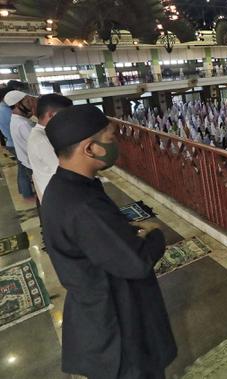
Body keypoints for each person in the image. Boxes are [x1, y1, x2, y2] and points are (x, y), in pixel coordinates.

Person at [41, 105, 176, 378]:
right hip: (118, 322)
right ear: (90, 149)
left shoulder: (64, 187)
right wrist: (156, 234)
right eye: (111, 138)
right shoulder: (83, 205)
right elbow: (136, 263)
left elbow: (97, 240)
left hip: (98, 305)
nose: (117, 144)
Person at [27, 94, 73, 201]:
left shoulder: (43, 133)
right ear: (51, 115)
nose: (68, 120)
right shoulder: (42, 140)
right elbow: (64, 170)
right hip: (58, 197)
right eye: (65, 116)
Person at [6, 90, 37, 201]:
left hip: (26, 160)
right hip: (32, 164)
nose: (31, 104)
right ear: (19, 104)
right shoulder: (23, 124)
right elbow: (36, 145)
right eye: (28, 101)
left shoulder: (18, 119)